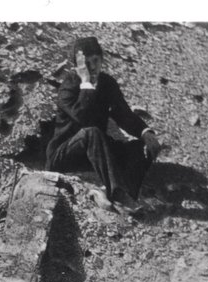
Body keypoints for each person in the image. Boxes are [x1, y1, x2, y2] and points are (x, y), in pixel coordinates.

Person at [46, 36, 163, 210]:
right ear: (77, 66)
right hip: (65, 156)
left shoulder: (107, 84)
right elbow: (81, 117)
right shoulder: (68, 86)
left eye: (96, 61)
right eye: (86, 63)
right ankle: (118, 193)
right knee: (91, 132)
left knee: (140, 148)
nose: (93, 67)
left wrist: (146, 132)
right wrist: (86, 84)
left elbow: (123, 114)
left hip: (96, 154)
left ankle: (124, 193)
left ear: (102, 59)